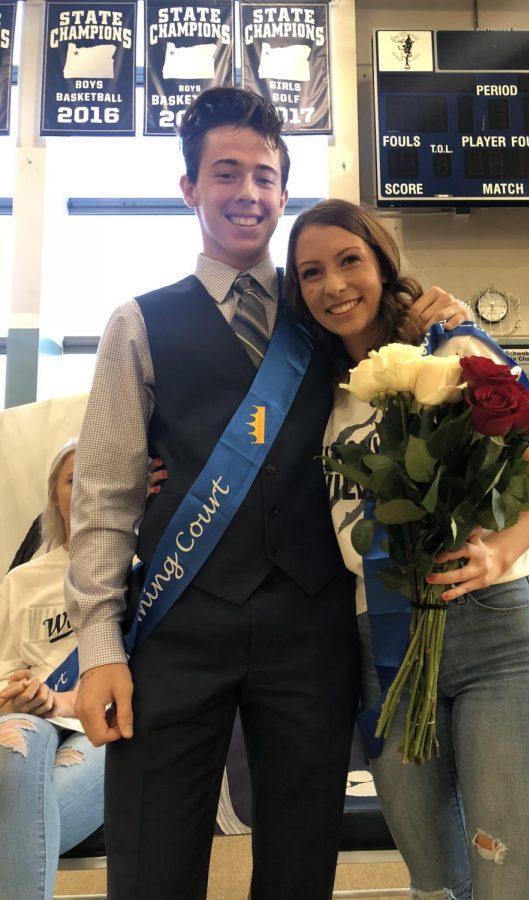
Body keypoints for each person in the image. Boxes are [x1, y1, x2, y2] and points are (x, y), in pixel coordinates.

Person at [64, 86, 472, 900]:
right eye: (225, 173)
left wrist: (448, 320)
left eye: (263, 176)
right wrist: (100, 649)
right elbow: (105, 496)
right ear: (190, 189)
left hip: (309, 625)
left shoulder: (332, 314)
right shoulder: (137, 323)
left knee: (300, 858)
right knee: (149, 860)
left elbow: (426, 378)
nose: (246, 192)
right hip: (176, 626)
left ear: (283, 193)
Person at [284, 198, 529, 900]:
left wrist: (499, 554)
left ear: (382, 264)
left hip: (493, 633)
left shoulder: (452, 350)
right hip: (383, 648)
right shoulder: (318, 392)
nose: (333, 285)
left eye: (349, 260)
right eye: (311, 272)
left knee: (510, 883)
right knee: (435, 884)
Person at [0, 439, 106, 900]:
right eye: (70, 478)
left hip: (102, 725)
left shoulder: (147, 569)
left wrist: (64, 699)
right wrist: (15, 693)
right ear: (55, 497)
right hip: (30, 717)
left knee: (23, 811)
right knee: (15, 747)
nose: (82, 487)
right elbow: (5, 667)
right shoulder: (22, 580)